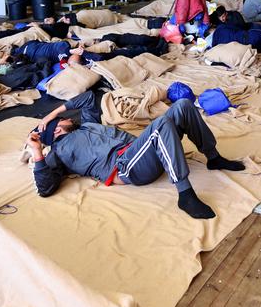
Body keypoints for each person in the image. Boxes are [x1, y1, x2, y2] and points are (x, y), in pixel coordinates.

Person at [27, 91, 245, 219]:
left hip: (143, 150)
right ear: (56, 130)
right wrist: (38, 152)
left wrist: (53, 113)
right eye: (63, 120)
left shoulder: (86, 124)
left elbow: (89, 97)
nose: (69, 118)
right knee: (160, 124)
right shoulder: (60, 152)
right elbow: (45, 188)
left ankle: (213, 157)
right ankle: (185, 195)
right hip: (126, 167)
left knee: (183, 105)